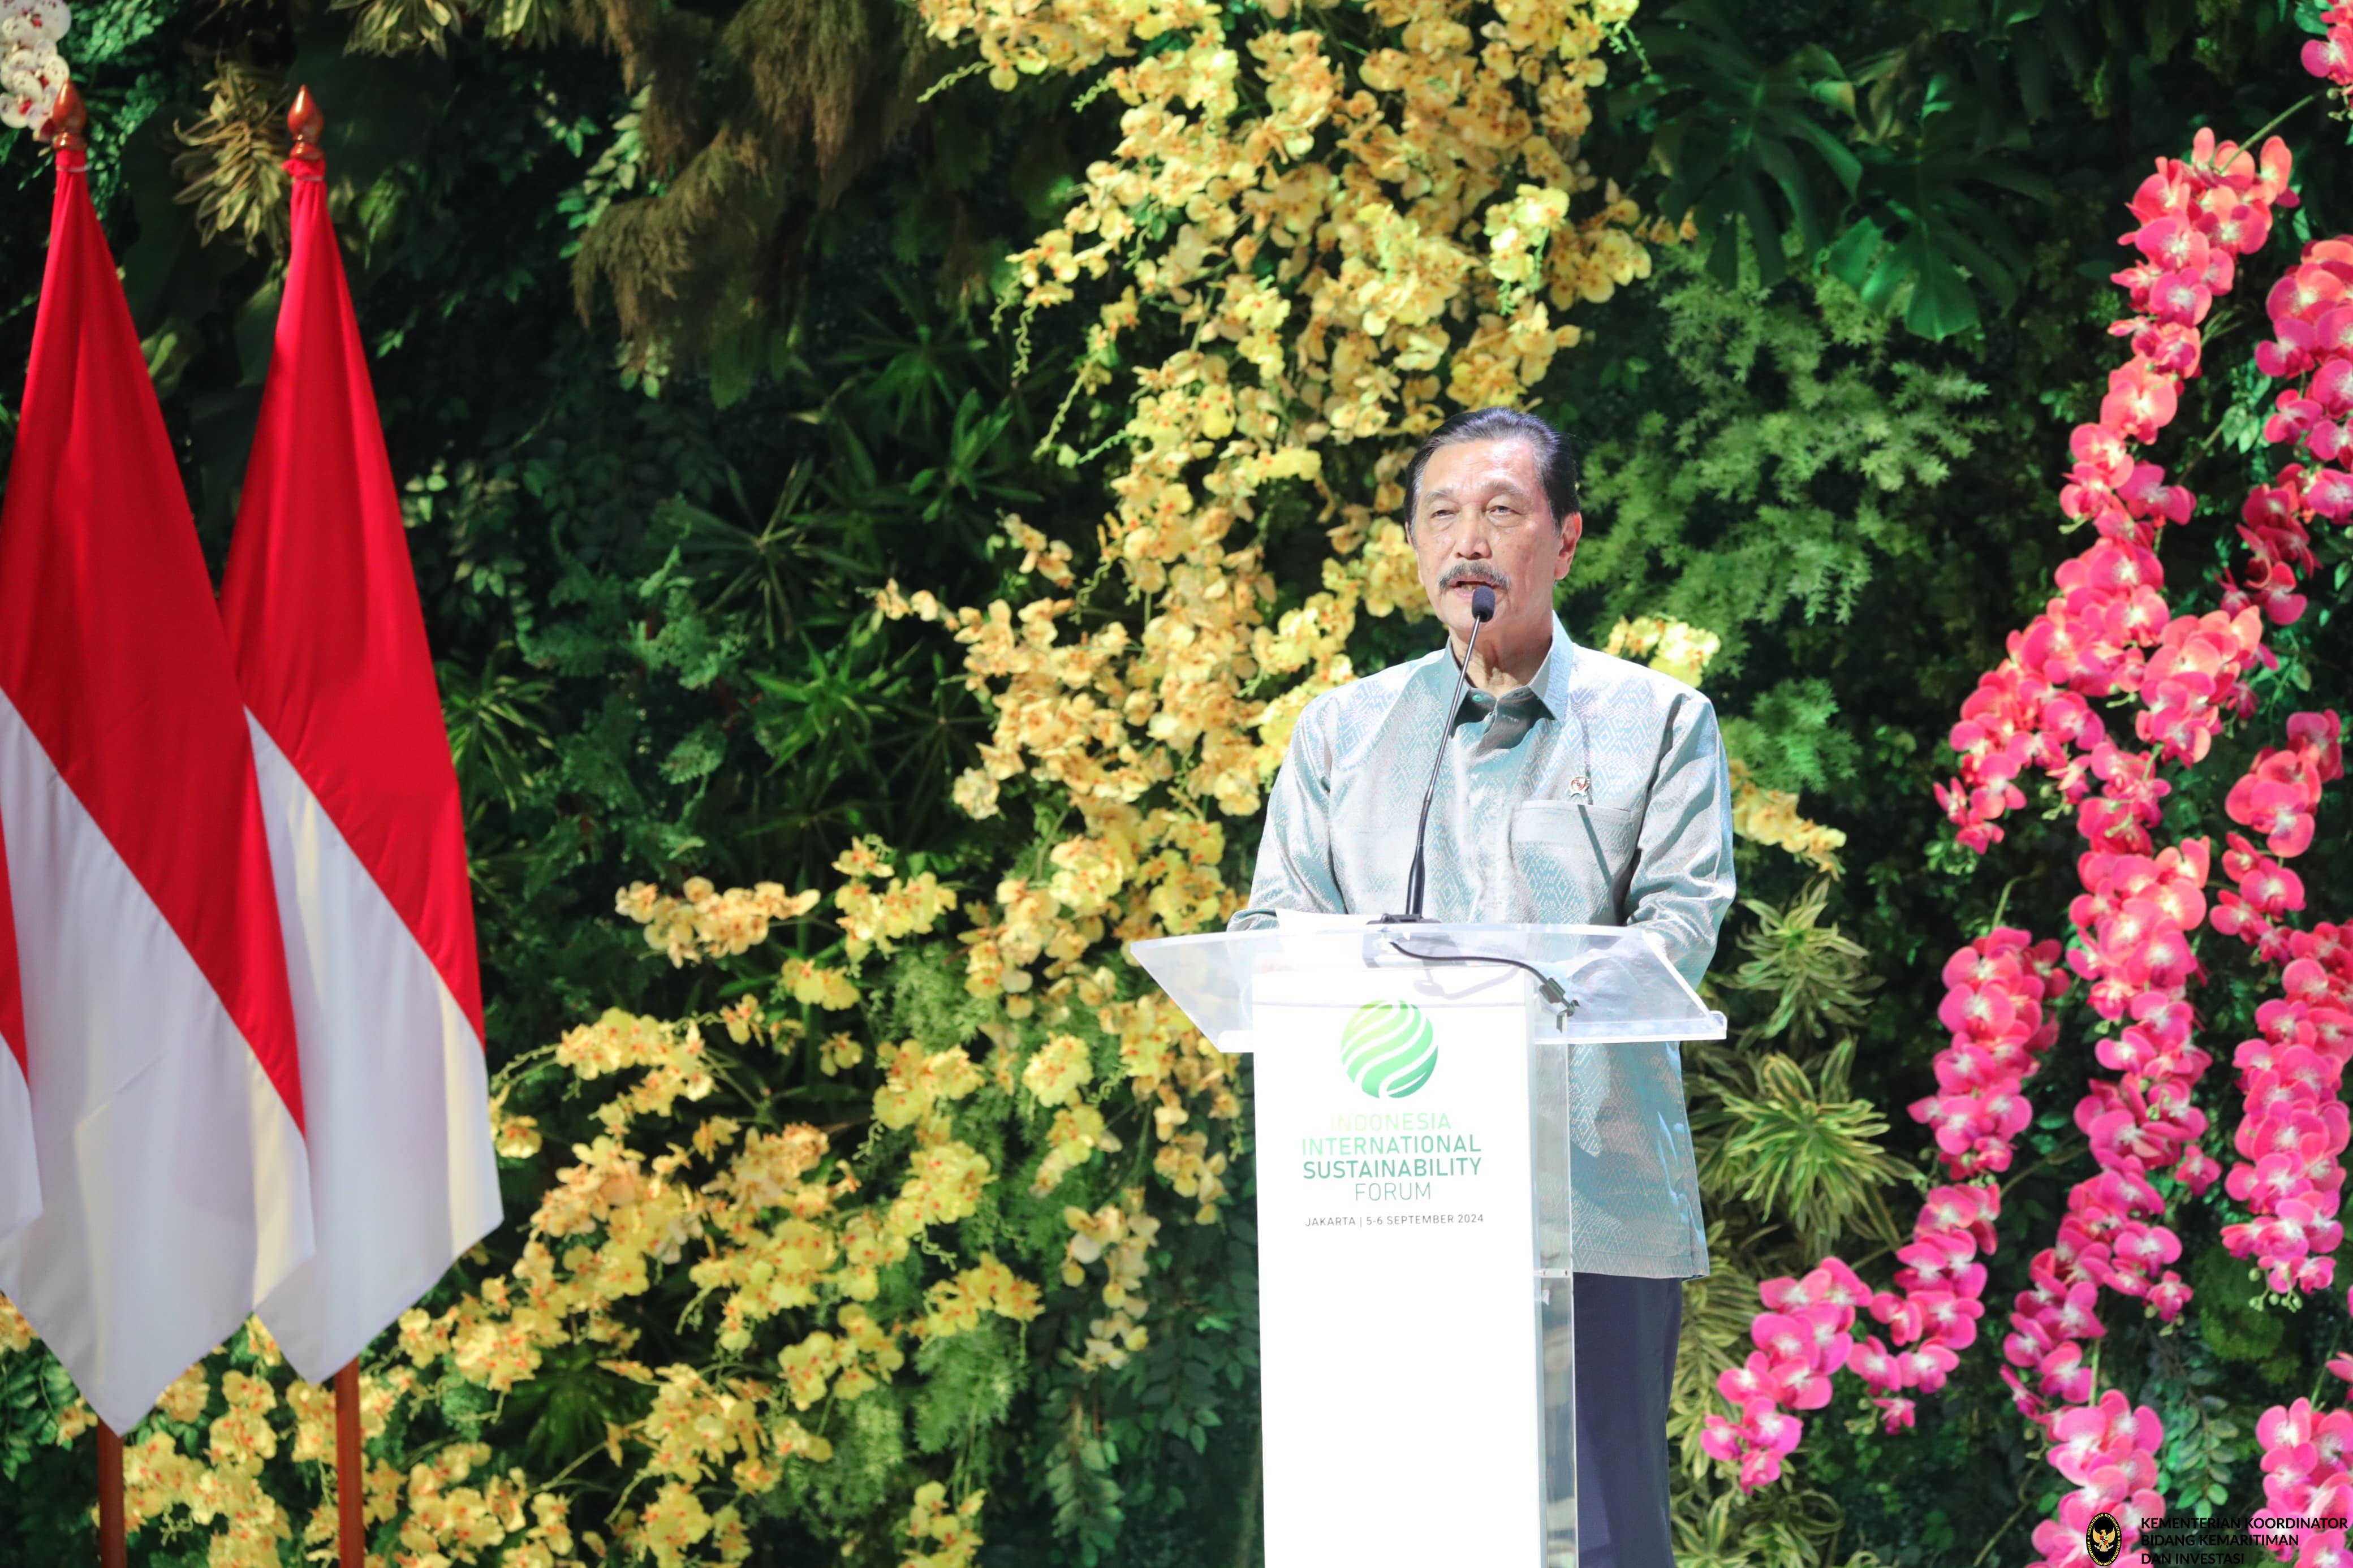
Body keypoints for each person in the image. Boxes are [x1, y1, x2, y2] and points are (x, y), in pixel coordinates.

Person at [1230, 405, 1735, 1567]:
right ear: (1413, 549)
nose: (1467, 540)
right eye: (1441, 514)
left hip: (1590, 1203)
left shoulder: (1658, 724)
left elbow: (1673, 940)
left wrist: (1503, 986)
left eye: (1501, 511)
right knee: (1398, 1529)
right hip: (1378, 1194)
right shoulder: (1339, 737)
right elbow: (1272, 934)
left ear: (1562, 542)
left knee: (1599, 1536)